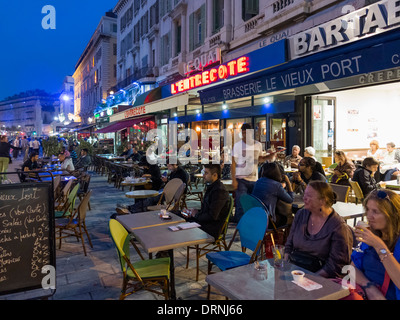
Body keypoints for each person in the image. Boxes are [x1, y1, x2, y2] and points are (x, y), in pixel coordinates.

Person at [284, 181, 354, 278]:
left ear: (323, 201)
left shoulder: (338, 227)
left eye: (309, 196)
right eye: (305, 194)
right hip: (296, 272)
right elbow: (289, 245)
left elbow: (336, 266)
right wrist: (285, 267)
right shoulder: (301, 215)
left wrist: (309, 279)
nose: (304, 198)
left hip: (322, 280)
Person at [351, 189, 400, 300]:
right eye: (368, 210)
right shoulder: (373, 235)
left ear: (392, 214)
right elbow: (352, 268)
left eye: (375, 212)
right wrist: (370, 288)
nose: (369, 216)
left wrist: (379, 246)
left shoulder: (378, 241)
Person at [231, 123, 269, 223]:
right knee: (240, 204)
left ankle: (251, 223)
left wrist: (268, 157)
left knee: (253, 203)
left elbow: (259, 159)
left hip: (254, 179)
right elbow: (233, 163)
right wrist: (234, 179)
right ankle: (240, 226)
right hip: (241, 179)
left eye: (247, 133)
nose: (245, 135)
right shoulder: (238, 145)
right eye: (243, 133)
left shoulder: (258, 145)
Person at [181, 164, 231, 239]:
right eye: (204, 173)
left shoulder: (219, 191)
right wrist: (193, 212)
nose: (203, 175)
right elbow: (207, 210)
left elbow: (212, 216)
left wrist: (195, 215)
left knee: (177, 226)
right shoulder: (212, 187)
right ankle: (165, 250)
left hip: (210, 229)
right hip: (204, 223)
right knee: (176, 216)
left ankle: (166, 249)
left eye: (206, 173)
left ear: (215, 175)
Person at [252, 162, 294, 227]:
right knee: (290, 218)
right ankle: (287, 237)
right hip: (267, 221)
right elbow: (290, 200)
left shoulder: (259, 181)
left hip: (254, 217)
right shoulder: (276, 185)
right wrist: (288, 182)